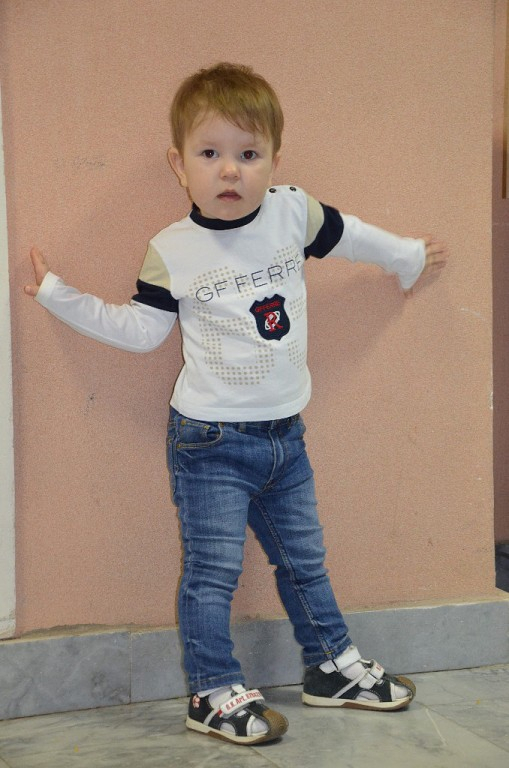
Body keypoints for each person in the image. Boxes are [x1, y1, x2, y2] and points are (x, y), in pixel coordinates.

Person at [25, 62, 448, 746]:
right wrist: (58, 296)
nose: (230, 171)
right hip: (210, 442)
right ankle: (213, 691)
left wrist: (406, 258)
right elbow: (140, 331)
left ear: (274, 159)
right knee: (213, 572)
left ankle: (331, 667)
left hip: (287, 437)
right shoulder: (173, 250)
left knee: (305, 561)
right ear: (179, 164)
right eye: (210, 154)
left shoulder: (292, 212)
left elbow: (355, 236)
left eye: (248, 155)